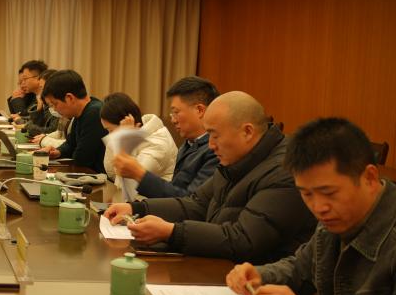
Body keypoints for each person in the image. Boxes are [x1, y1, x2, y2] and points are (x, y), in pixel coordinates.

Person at [225, 118, 396, 295]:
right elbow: (301, 268)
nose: (318, 207)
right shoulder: (333, 221)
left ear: (369, 178)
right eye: (306, 194)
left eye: (329, 193)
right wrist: (260, 275)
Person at [105, 91, 316, 263]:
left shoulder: (284, 171)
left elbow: (244, 240)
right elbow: (196, 204)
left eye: (215, 135)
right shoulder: (236, 160)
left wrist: (172, 232)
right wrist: (137, 208)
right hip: (219, 264)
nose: (211, 145)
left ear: (247, 132)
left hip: (257, 281)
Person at [112, 76, 219, 199]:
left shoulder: (215, 150)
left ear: (199, 110)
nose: (173, 120)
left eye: (176, 112)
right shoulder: (188, 144)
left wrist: (139, 174)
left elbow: (190, 201)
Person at [98, 92, 177, 194]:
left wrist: (126, 143)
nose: (110, 136)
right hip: (136, 198)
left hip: (151, 201)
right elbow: (111, 173)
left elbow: (125, 187)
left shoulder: (157, 144)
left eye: (111, 130)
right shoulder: (135, 133)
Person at [37, 69, 107, 173]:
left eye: (55, 104)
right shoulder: (81, 112)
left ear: (69, 98)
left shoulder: (94, 113)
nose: (54, 109)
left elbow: (82, 158)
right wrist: (58, 151)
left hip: (97, 177)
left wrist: (70, 151)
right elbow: (70, 144)